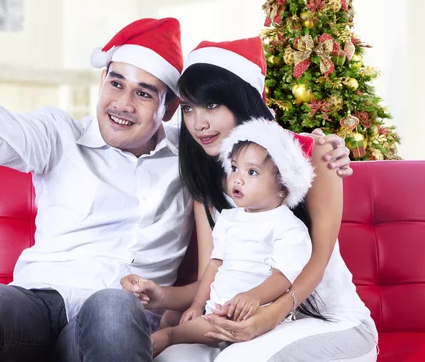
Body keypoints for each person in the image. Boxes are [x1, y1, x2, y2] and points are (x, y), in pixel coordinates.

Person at [0, 8, 352, 361]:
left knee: (112, 305)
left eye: (144, 93)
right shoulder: (59, 135)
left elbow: (252, 144)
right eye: (116, 83)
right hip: (37, 306)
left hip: (118, 321)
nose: (122, 104)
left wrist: (319, 143)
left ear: (167, 109)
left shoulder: (193, 157)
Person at [122, 38, 377, 361]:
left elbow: (317, 262)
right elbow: (212, 277)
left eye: (211, 105)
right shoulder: (211, 187)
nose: (198, 123)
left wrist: (270, 315)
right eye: (188, 108)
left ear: (241, 101)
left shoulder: (315, 156)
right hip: (249, 322)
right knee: (171, 358)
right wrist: (161, 296)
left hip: (332, 323)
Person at [151, 117, 376, 361]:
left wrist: (254, 299)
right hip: (223, 312)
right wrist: (190, 303)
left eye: (251, 172)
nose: (237, 178)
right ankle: (171, 336)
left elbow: (287, 276)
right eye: (234, 168)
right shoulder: (228, 215)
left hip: (291, 317)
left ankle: (175, 335)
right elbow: (214, 266)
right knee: (172, 356)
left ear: (283, 187)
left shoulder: (288, 224)